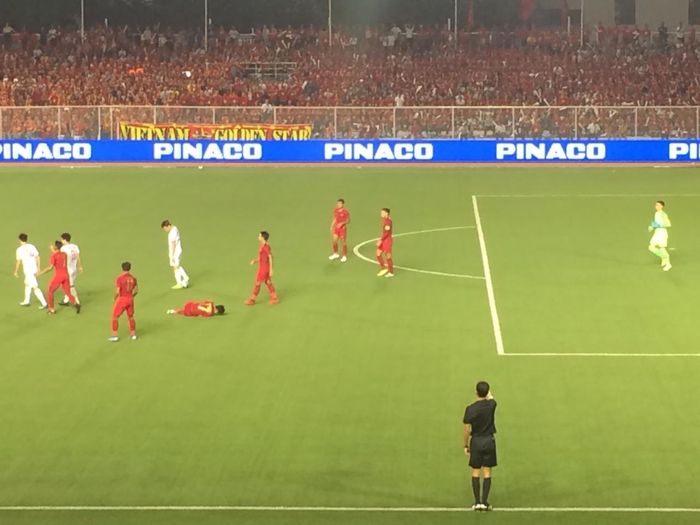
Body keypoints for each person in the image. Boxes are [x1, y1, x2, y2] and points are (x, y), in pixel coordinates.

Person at [463, 381, 497, 512]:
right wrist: (488, 393)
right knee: (487, 471)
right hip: (489, 440)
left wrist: (466, 445)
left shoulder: (470, 409)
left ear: (476, 392)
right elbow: (491, 397)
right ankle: (485, 502)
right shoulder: (492, 405)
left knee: (476, 471)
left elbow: (466, 429)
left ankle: (477, 502)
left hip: (476, 441)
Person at [37, 241, 80, 314]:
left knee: (50, 291)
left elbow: (50, 267)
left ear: (56, 247)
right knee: (68, 292)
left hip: (59, 276)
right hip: (66, 275)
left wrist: (40, 273)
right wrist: (53, 251)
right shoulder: (64, 254)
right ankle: (76, 303)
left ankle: (51, 309)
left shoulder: (53, 256)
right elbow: (59, 255)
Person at [13, 233, 47, 309]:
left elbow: (18, 261)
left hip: (28, 271)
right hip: (34, 268)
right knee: (27, 284)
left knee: (35, 287)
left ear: (19, 240)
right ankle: (26, 301)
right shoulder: (32, 246)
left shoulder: (19, 250)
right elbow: (37, 256)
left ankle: (44, 303)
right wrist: (38, 267)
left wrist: (16, 271)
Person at [245, 231, 279, 305]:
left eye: (259, 236)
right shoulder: (262, 245)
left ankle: (252, 300)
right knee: (268, 282)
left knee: (257, 283)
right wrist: (255, 261)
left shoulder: (266, 247)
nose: (258, 237)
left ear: (263, 237)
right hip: (263, 267)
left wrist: (271, 269)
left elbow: (270, 257)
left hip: (263, 269)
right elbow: (262, 257)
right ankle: (275, 298)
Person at [109, 261, 138, 342]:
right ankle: (133, 335)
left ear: (122, 268)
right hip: (130, 299)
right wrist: (131, 296)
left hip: (122, 299)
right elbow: (136, 290)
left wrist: (114, 298)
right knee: (131, 317)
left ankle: (114, 336)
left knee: (115, 316)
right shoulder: (133, 278)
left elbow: (118, 291)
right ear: (130, 268)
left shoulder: (119, 278)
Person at [161, 220, 190, 289]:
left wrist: (173, 255)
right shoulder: (174, 228)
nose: (165, 230)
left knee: (176, 266)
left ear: (168, 226)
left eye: (165, 228)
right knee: (174, 267)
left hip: (175, 252)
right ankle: (183, 283)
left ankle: (184, 279)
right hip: (175, 251)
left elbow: (173, 244)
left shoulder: (172, 233)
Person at [59, 232, 83, 305]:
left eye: (62, 239)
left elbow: (62, 258)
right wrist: (80, 266)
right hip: (74, 269)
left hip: (68, 270)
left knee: (70, 286)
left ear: (65, 240)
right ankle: (66, 300)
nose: (61, 241)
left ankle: (77, 302)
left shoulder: (63, 248)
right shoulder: (75, 246)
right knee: (67, 285)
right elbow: (78, 256)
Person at [648, 200, 672, 271]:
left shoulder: (663, 214)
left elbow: (668, 224)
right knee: (651, 247)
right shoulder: (656, 213)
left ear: (662, 206)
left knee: (662, 248)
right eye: (656, 205)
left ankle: (668, 264)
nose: (656, 206)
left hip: (662, 233)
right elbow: (656, 222)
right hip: (657, 232)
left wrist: (658, 225)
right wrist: (652, 226)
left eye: (658, 205)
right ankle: (663, 257)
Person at [329, 198, 351, 262]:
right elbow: (335, 218)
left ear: (343, 204)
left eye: (340, 203)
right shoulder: (335, 210)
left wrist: (342, 223)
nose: (338, 204)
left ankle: (344, 256)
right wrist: (332, 225)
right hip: (336, 228)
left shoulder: (345, 211)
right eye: (338, 203)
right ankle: (335, 253)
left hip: (342, 229)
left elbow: (348, 220)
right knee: (334, 241)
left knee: (343, 242)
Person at [376, 208, 394, 277]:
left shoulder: (388, 221)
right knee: (378, 254)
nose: (381, 214)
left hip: (387, 241)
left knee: (388, 256)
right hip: (384, 240)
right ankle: (383, 268)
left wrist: (381, 240)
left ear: (386, 213)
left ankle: (391, 272)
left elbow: (387, 233)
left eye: (382, 213)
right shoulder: (386, 220)